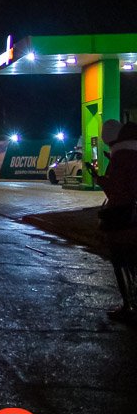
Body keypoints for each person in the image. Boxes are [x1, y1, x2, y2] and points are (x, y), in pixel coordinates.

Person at [89, 119, 137, 320]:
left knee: (121, 261)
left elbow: (118, 192)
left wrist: (99, 179)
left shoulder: (121, 157)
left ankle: (129, 306)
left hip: (125, 218)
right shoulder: (133, 152)